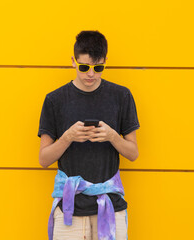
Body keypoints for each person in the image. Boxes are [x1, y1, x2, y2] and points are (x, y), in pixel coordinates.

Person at [37, 30, 140, 240]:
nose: (91, 74)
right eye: (84, 67)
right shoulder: (55, 100)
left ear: (105, 62)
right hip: (69, 210)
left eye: (98, 67)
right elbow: (43, 159)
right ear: (73, 62)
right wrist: (67, 137)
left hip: (110, 205)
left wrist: (112, 136)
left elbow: (133, 153)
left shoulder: (121, 96)